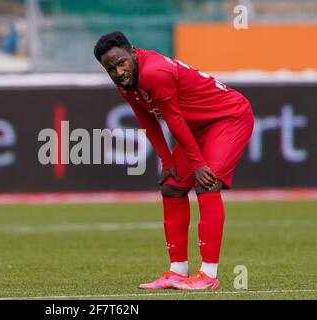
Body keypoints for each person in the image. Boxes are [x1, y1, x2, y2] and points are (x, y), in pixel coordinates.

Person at [94, 32, 254, 290]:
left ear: (133, 53)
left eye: (122, 62)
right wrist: (166, 161)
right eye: (110, 68)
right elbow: (146, 119)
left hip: (228, 117)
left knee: (207, 184)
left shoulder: (154, 72)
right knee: (172, 187)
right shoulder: (126, 82)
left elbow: (173, 120)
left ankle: (208, 276)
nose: (119, 71)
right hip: (198, 129)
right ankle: (178, 272)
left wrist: (197, 164)